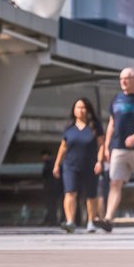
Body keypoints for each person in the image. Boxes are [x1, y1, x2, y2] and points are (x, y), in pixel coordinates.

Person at [98, 67, 134, 234]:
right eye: (121, 78)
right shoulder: (116, 99)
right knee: (115, 182)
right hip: (117, 148)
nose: (123, 81)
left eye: (127, 78)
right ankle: (108, 219)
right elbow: (111, 123)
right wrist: (107, 146)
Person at [54, 97, 102, 233]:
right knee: (70, 192)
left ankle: (91, 222)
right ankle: (70, 222)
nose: (80, 110)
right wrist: (57, 164)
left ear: (88, 110)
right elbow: (63, 147)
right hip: (70, 165)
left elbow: (102, 145)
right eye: (77, 107)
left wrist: (99, 161)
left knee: (91, 195)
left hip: (90, 165)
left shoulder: (95, 127)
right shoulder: (69, 128)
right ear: (73, 110)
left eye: (83, 107)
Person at [38, 150, 63, 226]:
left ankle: (53, 221)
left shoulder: (48, 163)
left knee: (51, 205)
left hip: (50, 187)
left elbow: (44, 174)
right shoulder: (59, 163)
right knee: (60, 204)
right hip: (60, 186)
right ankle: (62, 220)